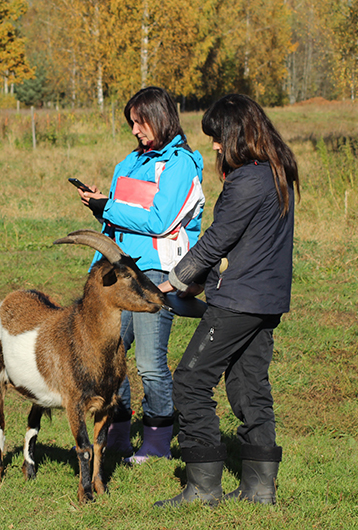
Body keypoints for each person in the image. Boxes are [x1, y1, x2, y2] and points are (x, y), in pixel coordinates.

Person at [154, 94, 300, 507]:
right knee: (248, 385)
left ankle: (202, 488)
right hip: (267, 299)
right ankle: (259, 489)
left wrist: (175, 280)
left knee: (190, 380)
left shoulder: (248, 179)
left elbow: (217, 240)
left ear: (236, 134)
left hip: (238, 301)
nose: (215, 145)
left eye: (218, 137)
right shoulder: (276, 172)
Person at [76, 86, 205, 463]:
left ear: (160, 117)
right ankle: (117, 434)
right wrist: (99, 207)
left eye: (140, 121)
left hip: (155, 275)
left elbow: (160, 222)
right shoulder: (128, 164)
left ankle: (156, 441)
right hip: (118, 273)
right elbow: (118, 221)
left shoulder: (180, 164)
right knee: (110, 356)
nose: (134, 129)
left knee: (150, 362)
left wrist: (109, 206)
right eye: (131, 123)